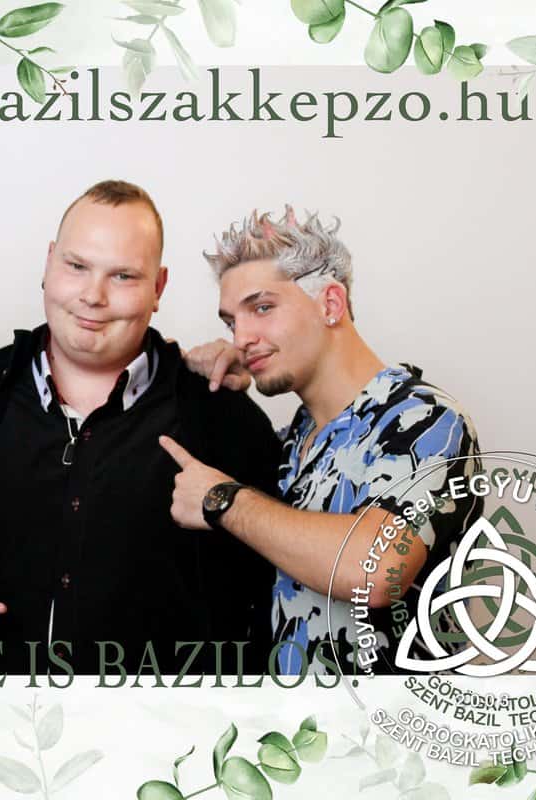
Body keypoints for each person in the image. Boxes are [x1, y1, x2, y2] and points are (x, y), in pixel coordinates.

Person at [0, 181, 282, 676]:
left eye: (123, 276)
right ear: (49, 264)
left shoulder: (224, 421)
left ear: (159, 288)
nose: (93, 296)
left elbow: (270, 605)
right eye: (77, 266)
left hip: (170, 722)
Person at [165, 207, 482, 676]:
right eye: (232, 322)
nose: (242, 337)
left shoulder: (427, 421)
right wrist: (204, 387)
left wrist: (222, 500)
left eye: (262, 308)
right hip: (291, 720)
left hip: (393, 720)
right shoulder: (291, 444)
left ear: (330, 304)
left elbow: (376, 569)